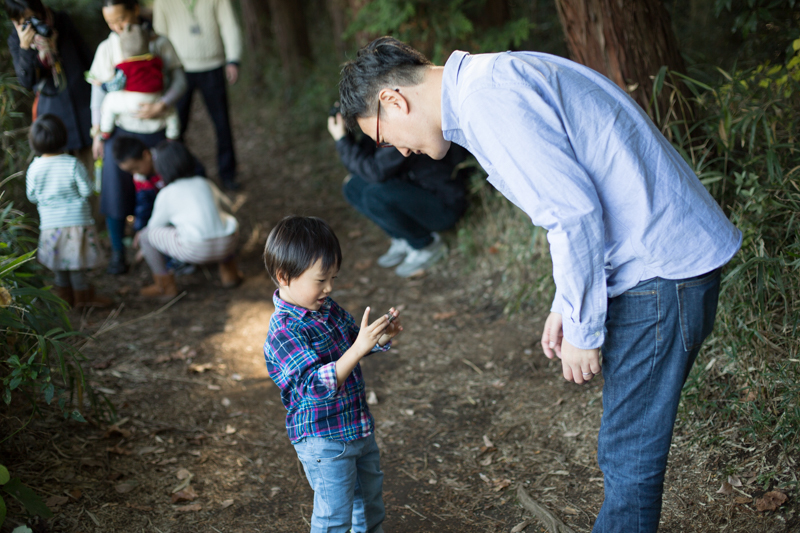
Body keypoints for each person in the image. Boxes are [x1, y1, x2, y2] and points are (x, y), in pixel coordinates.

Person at [338, 37, 742, 532]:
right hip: (656, 260)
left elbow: (572, 215)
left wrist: (583, 328)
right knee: (626, 453)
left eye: (385, 138)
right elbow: (581, 195)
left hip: (660, 271)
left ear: (394, 101)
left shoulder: (489, 101)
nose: (399, 150)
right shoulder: (490, 85)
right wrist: (565, 303)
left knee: (628, 458)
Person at [262, 215, 402, 533]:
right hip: (323, 439)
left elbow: (355, 343)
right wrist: (358, 349)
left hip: (356, 424)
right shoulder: (284, 331)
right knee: (334, 517)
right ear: (284, 277)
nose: (328, 287)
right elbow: (313, 386)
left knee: (369, 503)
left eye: (333, 279)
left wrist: (378, 339)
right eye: (320, 279)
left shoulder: (326, 307)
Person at [89, 0, 187, 275]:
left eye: (122, 19)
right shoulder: (107, 48)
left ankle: (173, 250)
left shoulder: (159, 43)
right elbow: (98, 94)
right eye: (111, 23)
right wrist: (98, 133)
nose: (118, 27)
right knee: (115, 188)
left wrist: (164, 103)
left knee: (167, 187)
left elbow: (180, 79)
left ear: (135, 11)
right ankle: (119, 253)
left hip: (158, 130)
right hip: (121, 131)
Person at [328, 110, 470, 277]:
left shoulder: (402, 126)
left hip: (444, 205)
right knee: (353, 186)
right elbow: (362, 165)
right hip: (417, 190)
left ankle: (426, 245)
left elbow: (375, 172)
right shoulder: (381, 121)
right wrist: (348, 134)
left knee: (375, 195)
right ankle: (404, 237)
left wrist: (341, 140)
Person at [152, 0, 242, 190]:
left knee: (222, 124)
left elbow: (229, 25)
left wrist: (233, 59)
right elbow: (159, 35)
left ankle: (228, 175)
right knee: (176, 127)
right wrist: (161, 72)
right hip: (179, 70)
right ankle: (179, 174)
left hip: (213, 67)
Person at [25, 114, 112, 308]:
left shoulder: (34, 167)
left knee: (59, 266)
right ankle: (83, 300)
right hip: (77, 222)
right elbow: (87, 190)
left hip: (50, 224)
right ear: (63, 137)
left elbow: (32, 196)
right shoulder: (72, 164)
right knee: (76, 265)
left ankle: (64, 301)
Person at [135, 140, 242, 298]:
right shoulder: (205, 183)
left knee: (145, 236)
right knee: (221, 221)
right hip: (228, 243)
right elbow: (227, 207)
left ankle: (165, 287)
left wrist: (142, 248)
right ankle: (230, 274)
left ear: (162, 168)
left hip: (196, 250)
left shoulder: (167, 192)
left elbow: (153, 228)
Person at [6, 0, 92, 155]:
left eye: (32, 18)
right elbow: (26, 81)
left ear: (40, 10)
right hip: (55, 114)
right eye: (24, 21)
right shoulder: (16, 40)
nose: (32, 24)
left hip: (84, 103)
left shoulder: (61, 21)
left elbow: (86, 57)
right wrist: (25, 48)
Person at [95, 23, 180, 145]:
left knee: (109, 103)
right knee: (171, 112)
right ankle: (172, 135)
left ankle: (106, 131)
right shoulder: (156, 61)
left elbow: (115, 85)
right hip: (155, 97)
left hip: (131, 101)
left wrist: (102, 85)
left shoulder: (123, 67)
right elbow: (165, 78)